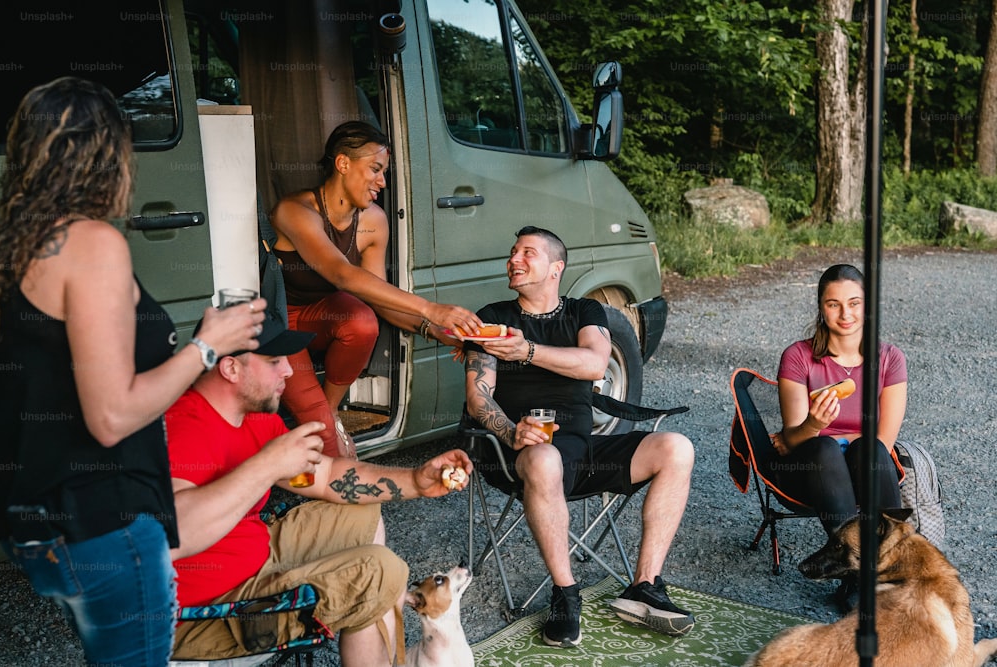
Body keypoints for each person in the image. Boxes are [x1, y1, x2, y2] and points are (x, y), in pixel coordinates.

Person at [0, 77, 264, 665]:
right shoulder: (93, 243)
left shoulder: (21, 247)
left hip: (45, 523)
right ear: (107, 156)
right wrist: (206, 348)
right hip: (107, 521)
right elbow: (113, 415)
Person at [165, 308, 473, 666]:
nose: (288, 370)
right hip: (208, 611)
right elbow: (174, 534)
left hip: (257, 556)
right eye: (274, 361)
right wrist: (267, 465)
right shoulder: (182, 426)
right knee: (381, 572)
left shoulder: (254, 418)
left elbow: (326, 478)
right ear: (231, 368)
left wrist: (417, 481)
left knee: (361, 512)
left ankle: (374, 633)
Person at [462, 226, 696, 647]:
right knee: (544, 457)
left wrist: (528, 351)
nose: (513, 259)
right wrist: (511, 432)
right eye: (512, 252)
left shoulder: (585, 311)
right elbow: (479, 400)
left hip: (583, 451)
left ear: (556, 268)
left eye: (526, 253)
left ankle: (644, 585)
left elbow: (593, 364)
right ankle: (565, 594)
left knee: (677, 448)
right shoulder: (493, 317)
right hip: (518, 453)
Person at [270, 120, 481, 458]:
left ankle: (329, 413)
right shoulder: (296, 210)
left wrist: (436, 329)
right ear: (342, 163)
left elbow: (376, 296)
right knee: (334, 450)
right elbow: (342, 274)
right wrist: (430, 307)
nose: (382, 182)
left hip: (322, 319)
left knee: (362, 319)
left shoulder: (373, 221)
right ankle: (322, 429)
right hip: (280, 324)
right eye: (375, 169)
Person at [774, 263, 905, 608]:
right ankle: (855, 577)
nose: (845, 313)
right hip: (809, 469)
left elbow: (884, 442)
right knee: (825, 448)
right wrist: (814, 425)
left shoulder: (889, 359)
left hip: (865, 465)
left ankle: (895, 571)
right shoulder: (799, 357)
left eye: (854, 303)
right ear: (821, 307)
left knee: (869, 448)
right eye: (834, 304)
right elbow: (793, 439)